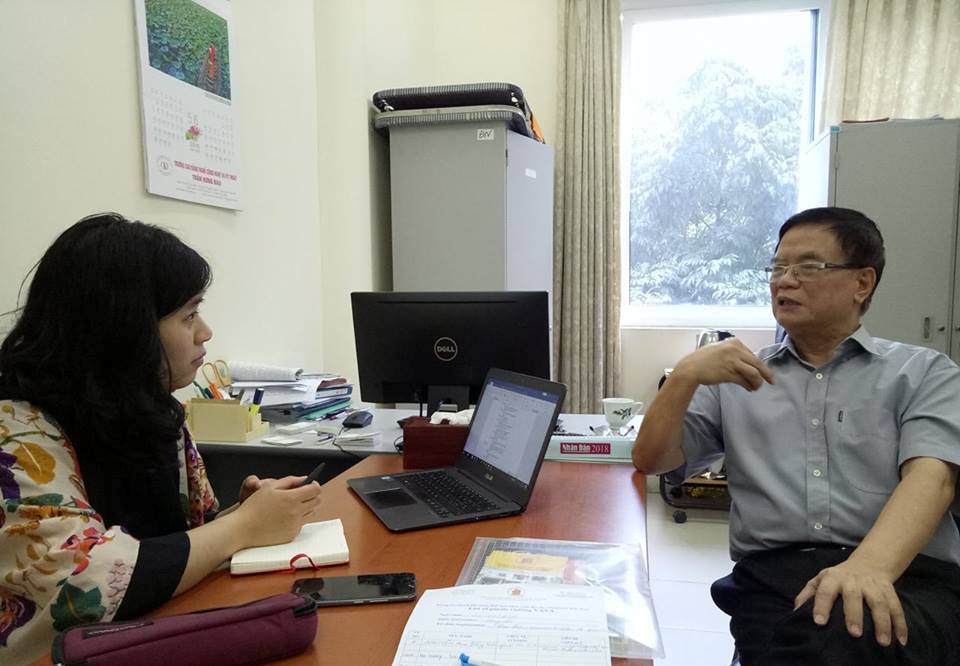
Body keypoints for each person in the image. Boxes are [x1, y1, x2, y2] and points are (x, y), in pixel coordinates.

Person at [633, 207, 960, 665]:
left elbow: (933, 479)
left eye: (808, 266)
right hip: (773, 579)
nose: (784, 281)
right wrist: (685, 375)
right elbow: (653, 460)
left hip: (905, 572)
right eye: (777, 267)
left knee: (846, 633)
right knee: (830, 636)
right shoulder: (736, 378)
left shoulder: (924, 373)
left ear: (862, 283)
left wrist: (866, 567)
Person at [0, 213, 323, 665]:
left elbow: (185, 542)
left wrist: (243, 514)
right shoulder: (16, 430)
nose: (205, 332)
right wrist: (241, 527)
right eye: (189, 315)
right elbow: (82, 585)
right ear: (123, 328)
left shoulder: (152, 412)